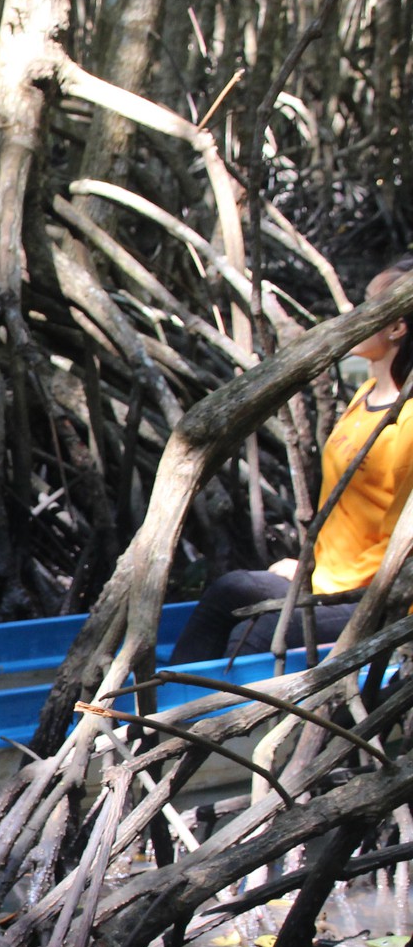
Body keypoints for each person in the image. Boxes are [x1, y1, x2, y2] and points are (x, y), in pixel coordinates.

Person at [172, 255, 413, 663]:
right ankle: (156, 716)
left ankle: (218, 721)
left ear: (396, 325)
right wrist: (308, 564)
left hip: (371, 601)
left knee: (257, 630)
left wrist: (355, 597)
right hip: (326, 584)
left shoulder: (408, 420)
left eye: (370, 304)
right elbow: (347, 516)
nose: (354, 314)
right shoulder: (363, 398)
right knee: (229, 590)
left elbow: (402, 550)